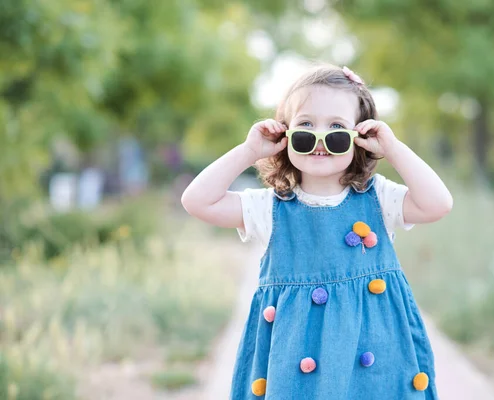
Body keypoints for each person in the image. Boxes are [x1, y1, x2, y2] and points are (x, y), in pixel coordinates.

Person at [181, 63, 453, 399]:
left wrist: (393, 149)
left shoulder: (379, 199)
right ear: (284, 135)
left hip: (373, 361)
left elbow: (439, 203)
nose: (320, 140)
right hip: (296, 368)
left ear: (360, 138)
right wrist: (249, 151)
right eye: (305, 126)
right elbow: (197, 201)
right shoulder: (269, 208)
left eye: (337, 128)